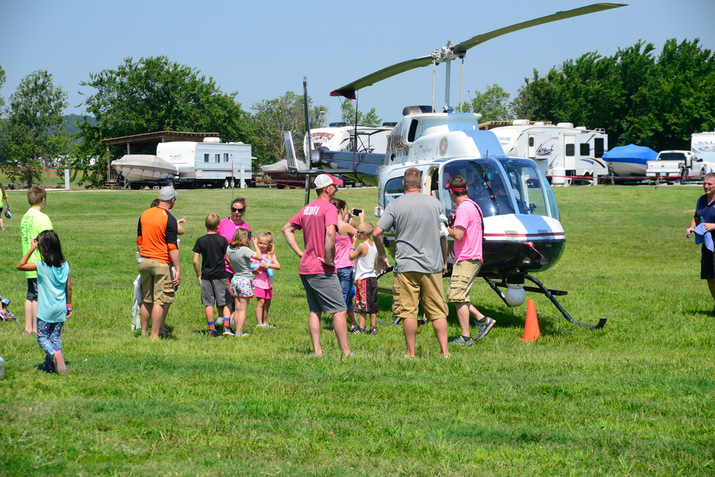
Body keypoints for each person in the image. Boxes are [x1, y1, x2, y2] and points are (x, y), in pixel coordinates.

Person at [373, 167, 450, 358]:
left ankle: (411, 353)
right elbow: (443, 235)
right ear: (421, 184)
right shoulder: (435, 203)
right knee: (438, 311)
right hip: (432, 265)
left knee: (408, 312)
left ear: (403, 184)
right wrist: (444, 260)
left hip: (406, 266)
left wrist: (382, 254)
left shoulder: (395, 205)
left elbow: (376, 232)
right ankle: (445, 352)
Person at [282, 173, 352, 356]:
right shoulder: (329, 208)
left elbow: (286, 229)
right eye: (334, 186)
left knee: (315, 310)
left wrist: (300, 253)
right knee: (340, 309)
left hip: (306, 267)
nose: (336, 189)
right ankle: (346, 353)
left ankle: (317, 351)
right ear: (327, 189)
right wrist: (329, 259)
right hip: (321, 268)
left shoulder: (307, 209)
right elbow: (330, 233)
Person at [445, 174, 495, 347]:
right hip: (473, 256)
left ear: (451, 192)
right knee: (458, 296)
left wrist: (445, 228)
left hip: (467, 257)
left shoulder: (463, 209)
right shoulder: (474, 205)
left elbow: (458, 235)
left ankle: (466, 338)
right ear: (466, 189)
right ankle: (482, 321)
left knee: (457, 296)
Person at [16, 230, 72, 375]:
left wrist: (31, 249)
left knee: (42, 336)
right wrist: (69, 306)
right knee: (55, 337)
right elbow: (69, 288)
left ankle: (54, 355)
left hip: (45, 310)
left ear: (42, 248)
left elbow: (20, 265)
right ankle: (50, 366)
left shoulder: (41, 265)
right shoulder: (65, 265)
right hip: (60, 309)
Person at [137, 186, 180, 341]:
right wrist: (178, 268)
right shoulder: (170, 219)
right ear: (172, 201)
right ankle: (154, 336)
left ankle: (144, 333)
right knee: (159, 301)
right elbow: (172, 247)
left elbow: (139, 241)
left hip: (144, 261)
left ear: (159, 198)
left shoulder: (145, 214)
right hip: (160, 262)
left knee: (146, 299)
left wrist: (141, 258)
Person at [149, 198, 185, 336]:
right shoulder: (165, 220)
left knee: (150, 297)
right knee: (164, 298)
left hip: (148, 261)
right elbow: (181, 231)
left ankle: (148, 328)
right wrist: (173, 220)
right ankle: (160, 327)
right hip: (164, 262)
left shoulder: (148, 221)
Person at [193, 213, 233, 337]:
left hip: (206, 276)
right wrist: (234, 270)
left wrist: (199, 275)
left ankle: (212, 330)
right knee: (227, 301)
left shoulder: (200, 241)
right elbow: (228, 258)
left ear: (205, 225)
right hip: (221, 275)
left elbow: (195, 261)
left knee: (208, 303)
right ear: (218, 226)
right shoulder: (222, 240)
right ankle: (226, 326)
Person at [20, 186, 53, 336]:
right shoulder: (43, 218)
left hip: (28, 262)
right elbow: (48, 240)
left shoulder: (25, 217)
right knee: (39, 297)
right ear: (43, 200)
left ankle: (28, 328)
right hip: (39, 262)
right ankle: (36, 328)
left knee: (30, 295)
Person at [330, 198, 362, 333]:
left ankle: (353, 323)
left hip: (335, 266)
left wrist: (348, 217)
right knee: (343, 298)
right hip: (346, 266)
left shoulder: (331, 226)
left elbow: (341, 227)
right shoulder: (345, 226)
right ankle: (338, 326)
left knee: (346, 296)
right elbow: (361, 234)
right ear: (342, 210)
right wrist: (361, 220)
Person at [686, 172, 715, 315]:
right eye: (704, 184)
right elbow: (696, 217)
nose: (706, 186)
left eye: (710, 184)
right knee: (710, 276)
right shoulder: (701, 200)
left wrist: (714, 226)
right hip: (708, 244)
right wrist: (692, 226)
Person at [226, 229, 261, 337]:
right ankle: (239, 333)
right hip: (245, 281)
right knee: (242, 309)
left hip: (235, 280)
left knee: (237, 308)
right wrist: (255, 244)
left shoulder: (229, 249)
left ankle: (237, 332)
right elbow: (259, 257)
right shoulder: (245, 250)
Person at [349, 221, 379, 335]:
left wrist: (353, 243)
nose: (357, 234)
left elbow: (351, 257)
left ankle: (361, 328)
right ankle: (373, 327)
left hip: (363, 279)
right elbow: (374, 263)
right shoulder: (374, 245)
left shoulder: (362, 246)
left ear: (365, 234)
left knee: (362, 304)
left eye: (359, 232)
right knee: (373, 303)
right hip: (373, 277)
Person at [252, 231, 280, 329]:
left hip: (268, 284)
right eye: (260, 243)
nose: (262, 245)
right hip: (259, 283)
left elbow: (278, 266)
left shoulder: (271, 255)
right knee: (261, 303)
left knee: (267, 304)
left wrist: (268, 265)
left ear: (269, 245)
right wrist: (259, 268)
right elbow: (252, 271)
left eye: (264, 244)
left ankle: (265, 323)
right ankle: (259, 324)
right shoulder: (255, 255)